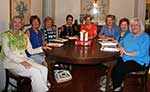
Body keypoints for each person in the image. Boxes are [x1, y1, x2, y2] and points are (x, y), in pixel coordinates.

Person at [0, 16, 49, 92]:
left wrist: (42, 48)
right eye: (15, 22)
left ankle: (36, 89)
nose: (17, 24)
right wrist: (21, 61)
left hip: (25, 59)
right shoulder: (5, 35)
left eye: (19, 22)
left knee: (44, 69)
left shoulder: (24, 36)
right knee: (35, 72)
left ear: (22, 24)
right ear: (11, 23)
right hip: (11, 62)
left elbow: (30, 51)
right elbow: (8, 53)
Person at [111, 17, 150, 92]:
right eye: (132, 25)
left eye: (136, 25)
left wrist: (126, 52)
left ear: (140, 26)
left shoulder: (145, 37)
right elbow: (120, 43)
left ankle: (116, 87)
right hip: (126, 58)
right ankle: (117, 82)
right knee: (113, 65)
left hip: (139, 61)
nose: (134, 27)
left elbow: (141, 53)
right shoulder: (129, 35)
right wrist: (121, 48)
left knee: (119, 69)